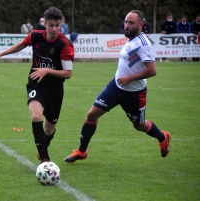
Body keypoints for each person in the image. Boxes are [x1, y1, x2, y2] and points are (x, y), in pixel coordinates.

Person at [64, 10, 171, 163]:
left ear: (141, 25)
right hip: (115, 87)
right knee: (91, 115)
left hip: (134, 93)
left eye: (131, 23)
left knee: (139, 125)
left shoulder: (143, 44)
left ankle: (162, 137)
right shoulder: (130, 38)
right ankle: (82, 151)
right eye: (126, 22)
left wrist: (129, 78)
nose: (126, 25)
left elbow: (152, 70)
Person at [0, 7, 74, 163]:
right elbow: (21, 45)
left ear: (61, 24)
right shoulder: (35, 36)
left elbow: (68, 74)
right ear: (45, 24)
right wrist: (0, 54)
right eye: (51, 25)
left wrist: (47, 70)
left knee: (49, 129)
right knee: (36, 116)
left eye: (57, 25)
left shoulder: (65, 45)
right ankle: (45, 161)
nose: (54, 29)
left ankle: (43, 148)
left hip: (55, 90)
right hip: (36, 84)